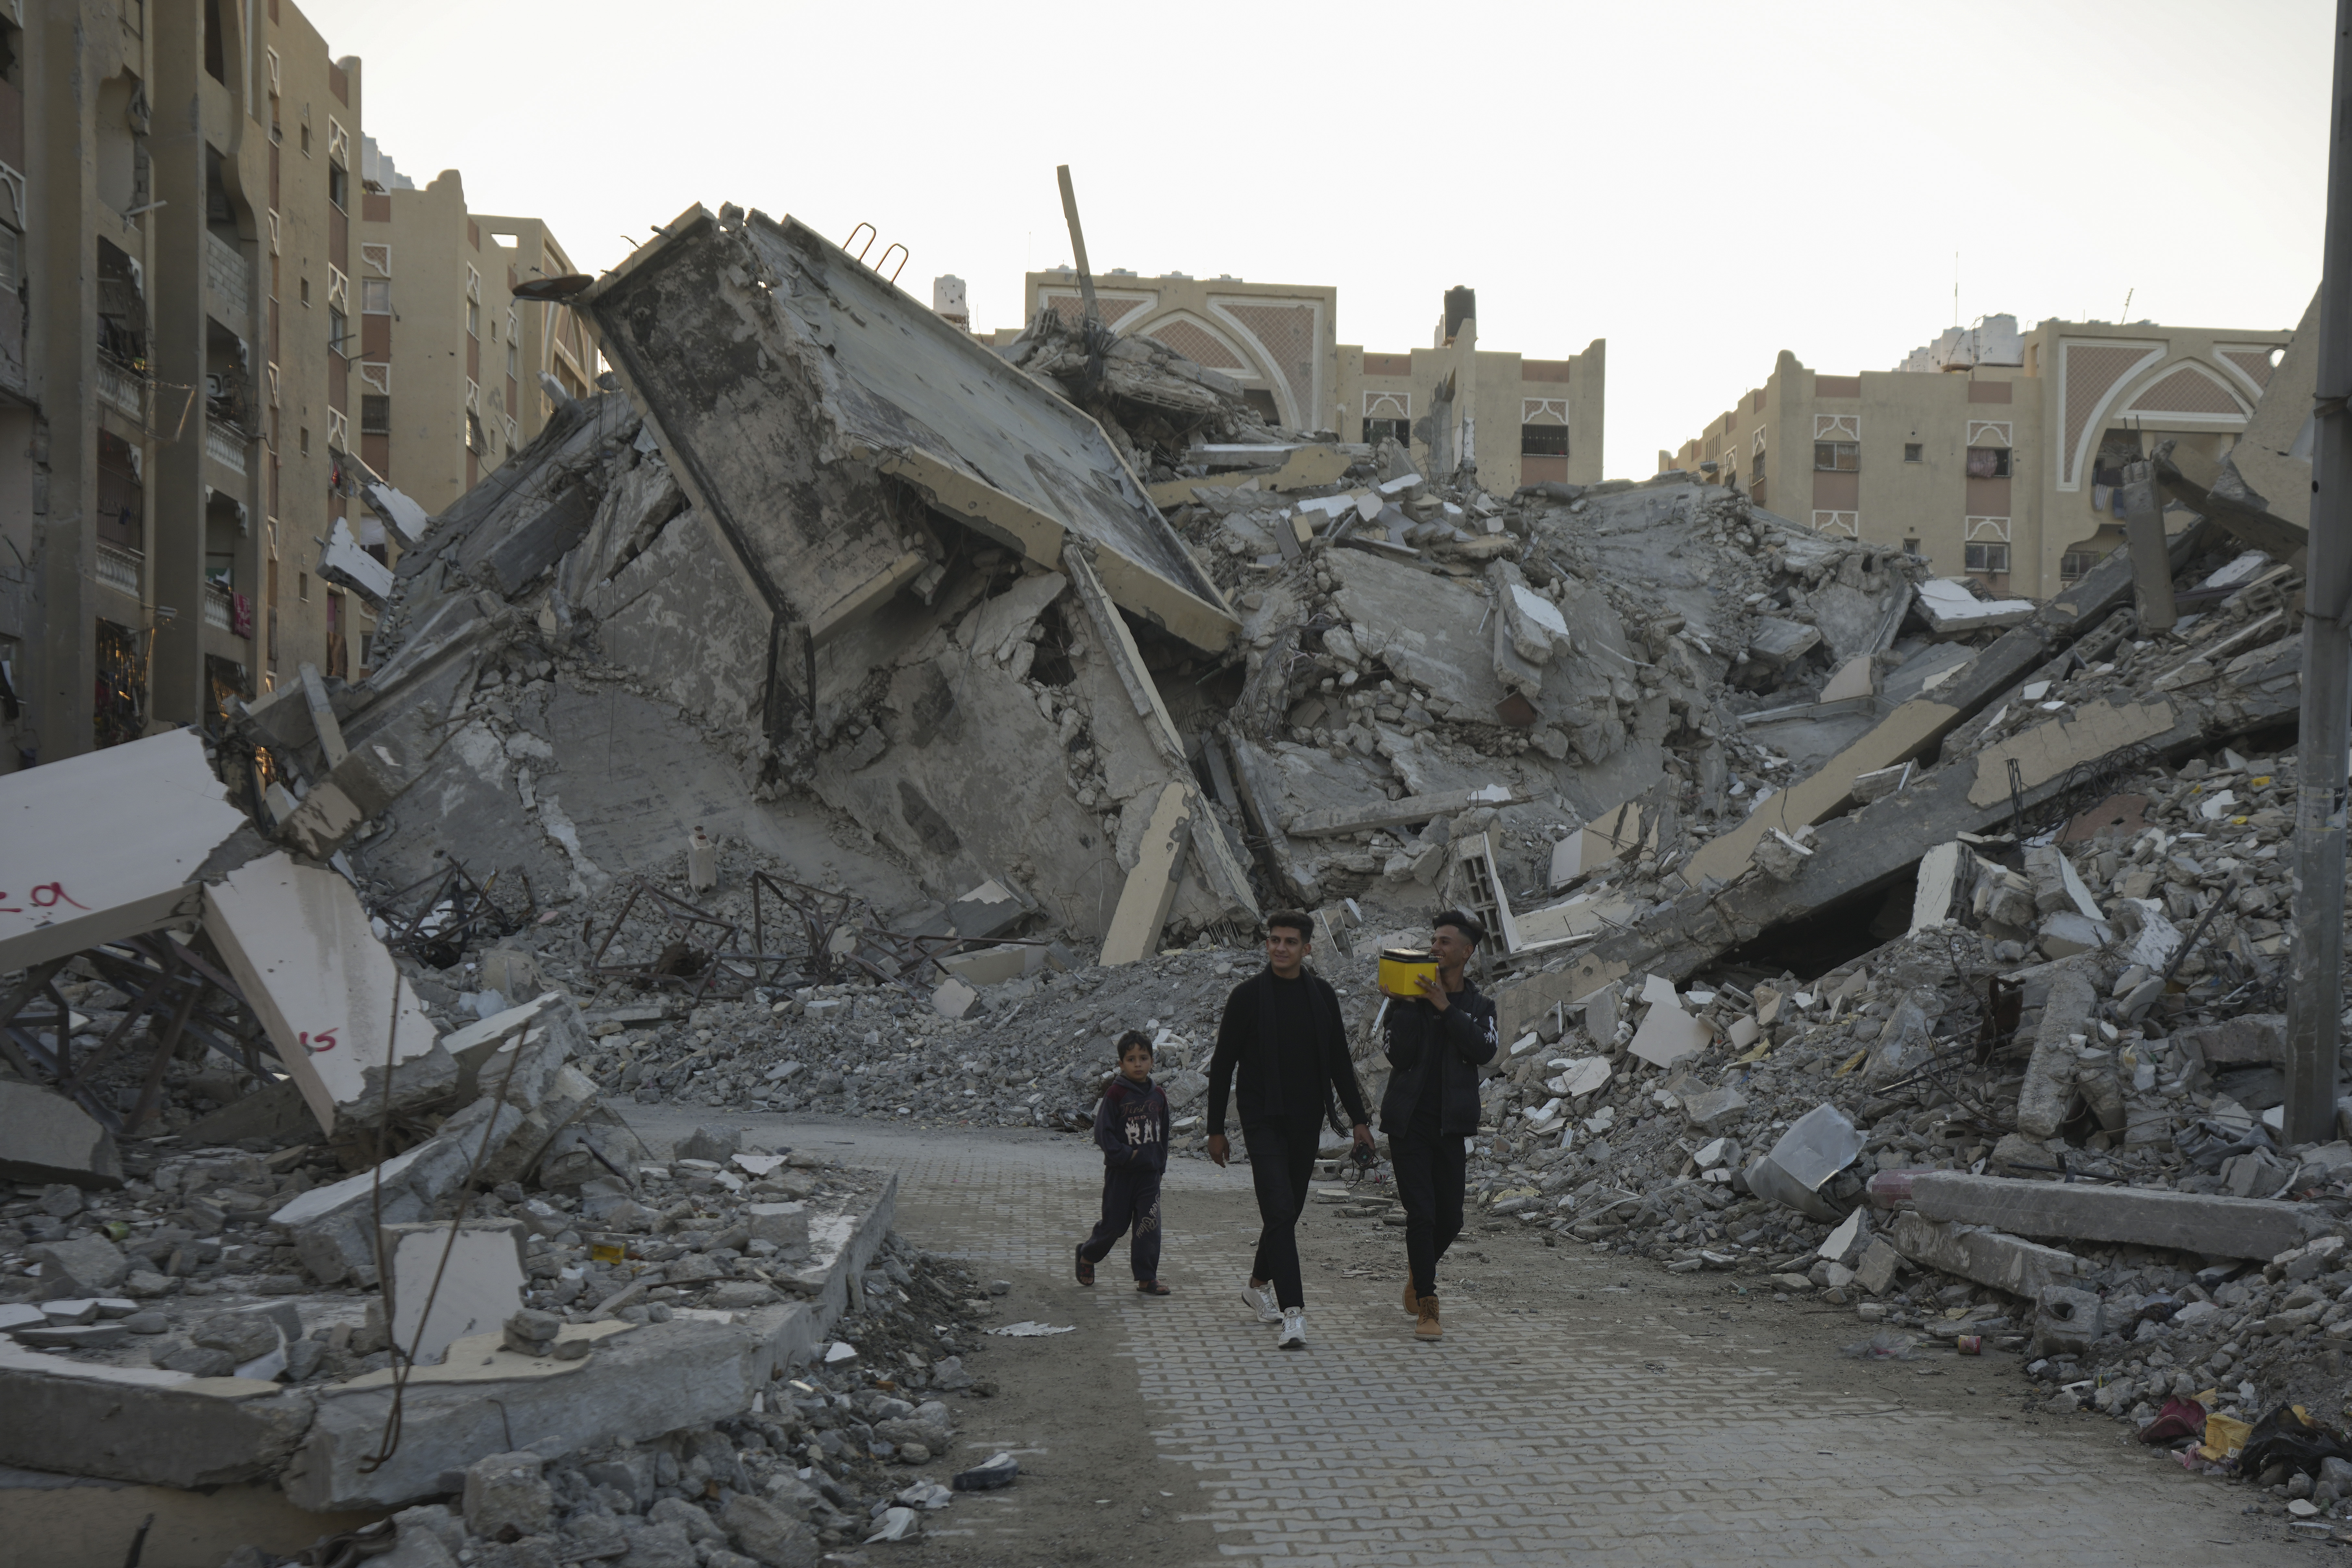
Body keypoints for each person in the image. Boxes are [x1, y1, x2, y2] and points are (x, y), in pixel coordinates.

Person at [1206, 911, 1373, 1350]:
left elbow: (1339, 1061)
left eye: (1290, 942)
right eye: (1274, 940)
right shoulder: (1246, 998)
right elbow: (1223, 1066)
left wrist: (1359, 1122)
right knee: (1280, 1212)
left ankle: (1257, 1285)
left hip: (1305, 1120)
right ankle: (1294, 1315)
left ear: (1307, 948)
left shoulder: (1321, 996)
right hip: (1261, 1119)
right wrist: (1215, 1131)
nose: (1280, 948)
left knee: (1287, 1212)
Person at [1377, 910, 1498, 1341]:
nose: (1435, 948)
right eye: (1434, 940)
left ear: (1466, 953)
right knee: (1422, 1214)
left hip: (1452, 1126)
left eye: (1445, 942)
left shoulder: (1480, 1007)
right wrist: (1407, 1005)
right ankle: (1428, 1305)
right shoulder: (1406, 997)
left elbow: (1485, 1051)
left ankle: (1418, 1268)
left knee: (1451, 1219)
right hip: (1408, 1124)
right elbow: (1398, 1056)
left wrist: (1444, 1008)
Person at [1075, 1031, 1172, 1295]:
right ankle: (1087, 1255)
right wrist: (1125, 1156)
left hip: (1149, 1176)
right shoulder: (1116, 1094)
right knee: (1115, 1226)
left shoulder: (1159, 1097)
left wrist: (1159, 1165)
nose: (1138, 1064)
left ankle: (1146, 1278)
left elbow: (1164, 1134)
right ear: (1121, 1064)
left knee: (1148, 1226)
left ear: (1152, 1061)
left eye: (1143, 1058)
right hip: (1121, 1175)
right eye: (1131, 1059)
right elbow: (1102, 1133)